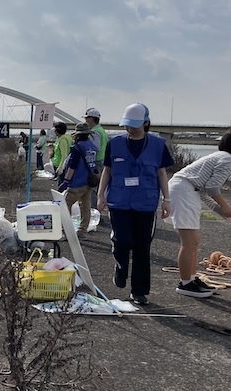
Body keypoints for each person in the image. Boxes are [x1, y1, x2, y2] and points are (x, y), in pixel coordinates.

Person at [97, 103, 174, 306]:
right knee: (123, 241)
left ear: (146, 122)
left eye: (134, 125)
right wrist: (100, 195)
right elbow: (108, 170)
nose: (129, 129)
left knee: (142, 248)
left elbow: (161, 173)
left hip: (146, 203)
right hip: (119, 201)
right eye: (127, 125)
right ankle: (120, 267)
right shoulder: (115, 143)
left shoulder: (158, 145)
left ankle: (139, 291)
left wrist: (167, 199)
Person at [165, 131, 231, 298]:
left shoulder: (220, 156)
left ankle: (191, 279)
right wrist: (224, 206)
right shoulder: (227, 159)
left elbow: (204, 190)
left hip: (186, 189)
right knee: (189, 242)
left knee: (193, 242)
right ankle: (186, 283)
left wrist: (219, 210)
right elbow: (212, 188)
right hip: (183, 191)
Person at [56, 122, 98, 238]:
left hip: (77, 183)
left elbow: (72, 167)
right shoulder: (92, 146)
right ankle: (82, 230)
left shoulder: (77, 148)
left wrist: (66, 181)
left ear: (77, 135)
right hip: (88, 182)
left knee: (65, 205)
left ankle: (65, 231)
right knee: (85, 207)